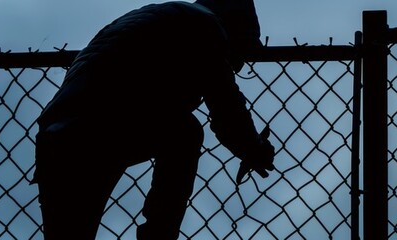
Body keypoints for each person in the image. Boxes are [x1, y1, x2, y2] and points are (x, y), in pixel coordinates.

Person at [32, 0, 275, 239]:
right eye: (240, 54)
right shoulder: (205, 26)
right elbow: (226, 107)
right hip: (103, 128)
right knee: (184, 131)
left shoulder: (156, 18)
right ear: (232, 28)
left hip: (57, 137)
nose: (238, 66)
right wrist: (255, 149)